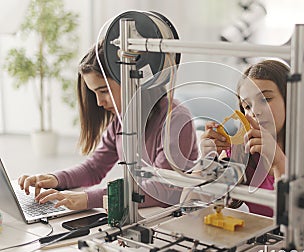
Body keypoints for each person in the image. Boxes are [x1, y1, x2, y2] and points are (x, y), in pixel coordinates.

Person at [18, 41, 198, 210]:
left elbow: (162, 190)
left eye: (103, 91)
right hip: (144, 214)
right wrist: (54, 179)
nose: (98, 102)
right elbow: (94, 168)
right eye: (94, 93)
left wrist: (89, 199)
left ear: (133, 80)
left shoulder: (176, 119)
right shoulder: (121, 120)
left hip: (173, 219)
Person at [200, 59, 304, 233]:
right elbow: (198, 203)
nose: (255, 111)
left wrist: (278, 162)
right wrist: (207, 161)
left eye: (265, 99)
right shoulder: (241, 154)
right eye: (247, 106)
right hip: (266, 247)